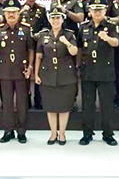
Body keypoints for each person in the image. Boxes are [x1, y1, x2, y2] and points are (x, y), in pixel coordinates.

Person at [0, 0, 34, 144]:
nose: (11, 14)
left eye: (14, 12)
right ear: (5, 14)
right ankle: (8, 131)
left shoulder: (26, 29)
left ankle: (21, 132)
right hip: (5, 73)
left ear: (19, 13)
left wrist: (31, 67)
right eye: (8, 12)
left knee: (22, 103)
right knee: (6, 103)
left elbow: (31, 49)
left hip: (22, 72)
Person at [77, 0, 119, 146]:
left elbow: (116, 43)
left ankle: (108, 134)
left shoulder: (111, 26)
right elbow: (79, 48)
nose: (97, 12)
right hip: (88, 71)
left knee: (106, 105)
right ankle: (87, 133)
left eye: (100, 9)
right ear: (89, 11)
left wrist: (107, 38)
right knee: (87, 105)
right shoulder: (84, 27)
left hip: (105, 72)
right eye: (94, 9)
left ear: (105, 10)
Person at [34, 8, 78, 145]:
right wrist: (36, 73)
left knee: (64, 106)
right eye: (52, 18)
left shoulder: (69, 34)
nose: (55, 21)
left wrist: (66, 42)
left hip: (66, 75)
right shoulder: (43, 35)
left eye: (58, 18)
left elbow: (74, 51)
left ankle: (62, 134)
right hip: (47, 74)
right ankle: (53, 133)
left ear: (63, 19)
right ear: (49, 19)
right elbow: (39, 56)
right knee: (50, 106)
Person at [19, 0, 48, 110]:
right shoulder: (19, 8)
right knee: (24, 71)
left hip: (37, 45)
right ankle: (26, 99)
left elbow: (46, 26)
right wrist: (20, 12)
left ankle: (39, 99)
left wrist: (40, 35)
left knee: (38, 71)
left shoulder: (41, 9)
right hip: (22, 45)